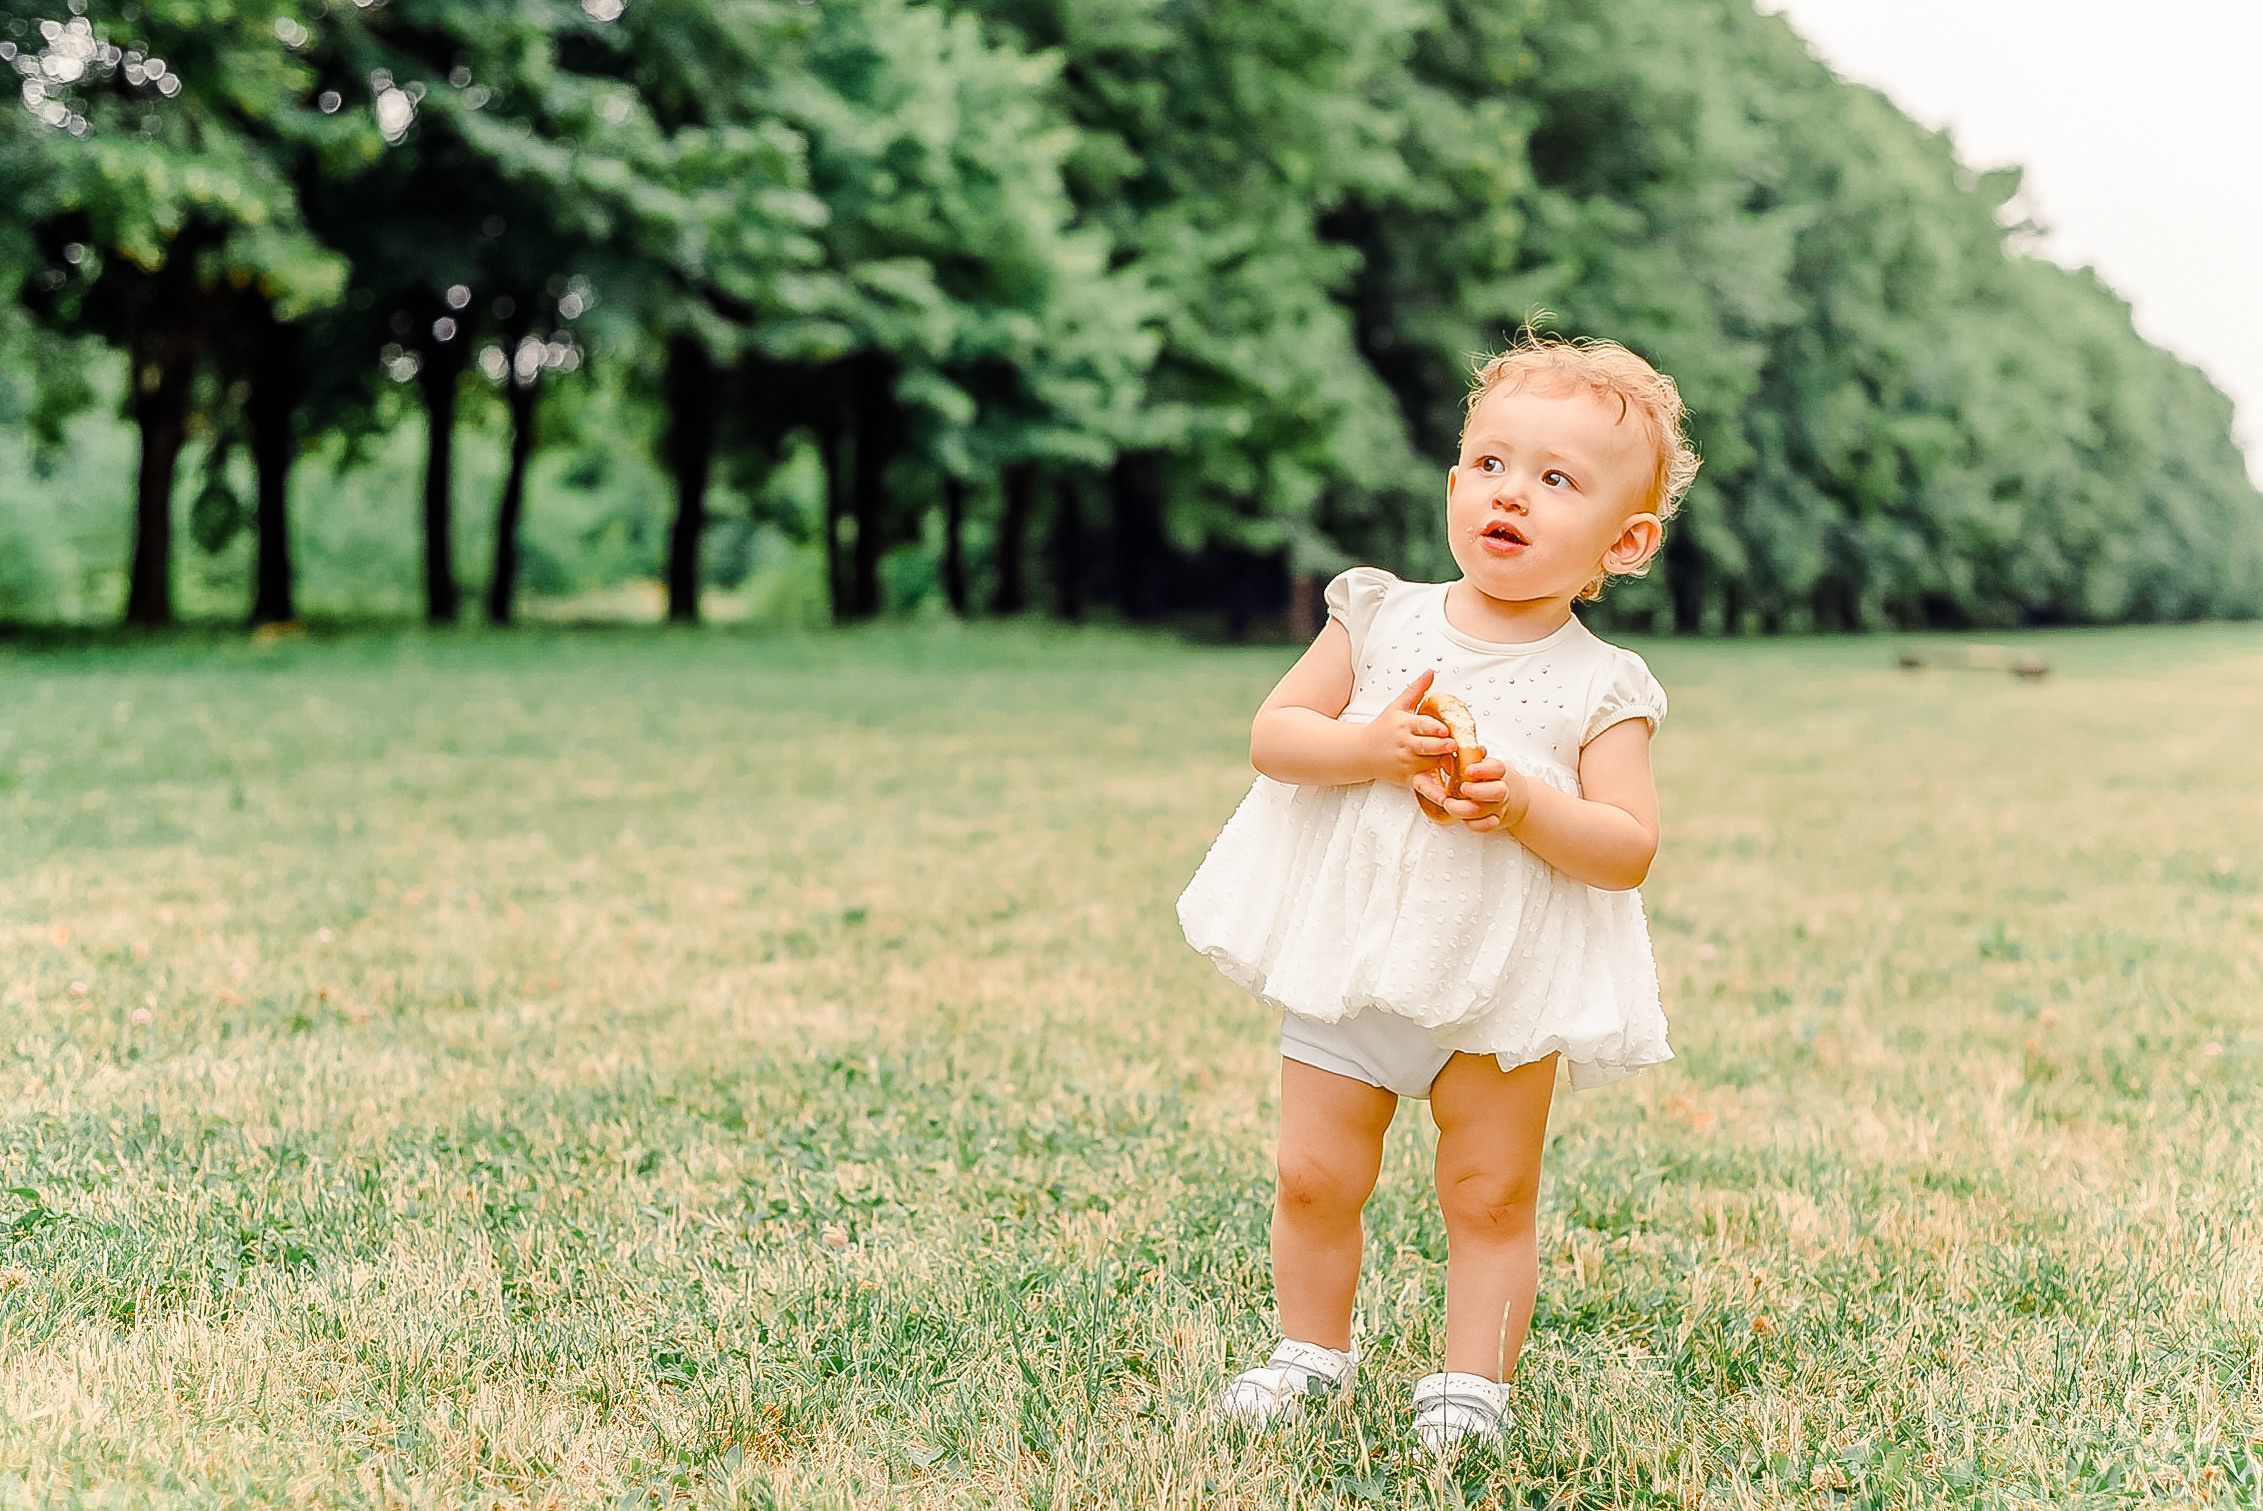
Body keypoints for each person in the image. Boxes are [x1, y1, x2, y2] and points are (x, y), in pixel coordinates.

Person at [1177, 332, 1700, 1454]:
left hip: (1499, 981)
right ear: (1455, 481)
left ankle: (1471, 1381)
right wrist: (1371, 745)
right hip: (1355, 952)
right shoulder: (1380, 618)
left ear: (1625, 540)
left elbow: (1626, 847)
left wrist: (1524, 804)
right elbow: (1277, 736)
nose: (1510, 493)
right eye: (1490, 463)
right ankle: (1309, 1349)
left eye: (1556, 479)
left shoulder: (1600, 685)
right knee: (1312, 1172)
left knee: (1489, 1191)